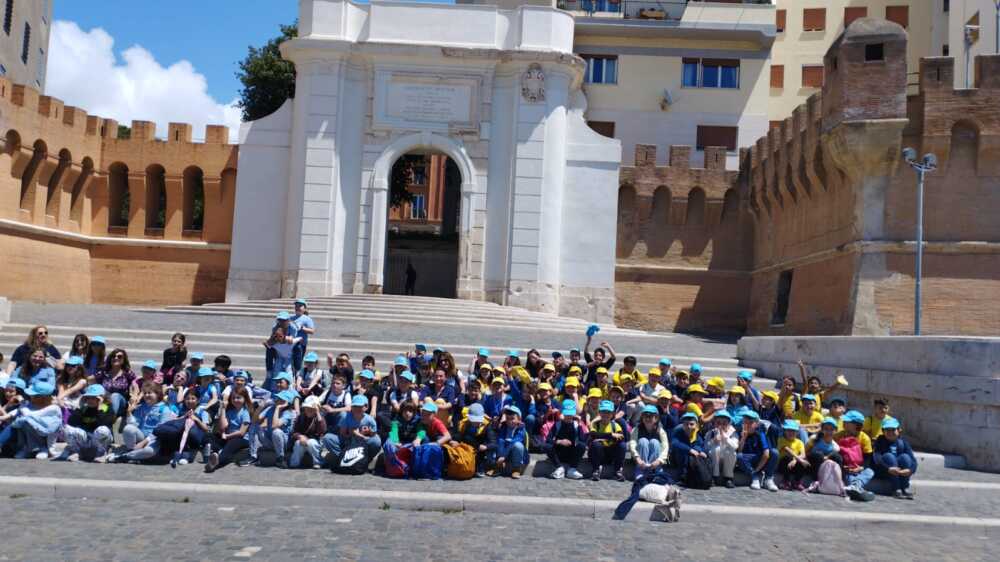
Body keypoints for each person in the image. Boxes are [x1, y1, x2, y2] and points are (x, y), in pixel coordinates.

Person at [112, 383, 174, 463]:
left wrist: (144, 442)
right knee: (128, 428)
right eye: (145, 393)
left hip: (154, 439)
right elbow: (134, 425)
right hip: (141, 435)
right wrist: (129, 413)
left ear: (158, 394)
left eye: (149, 393)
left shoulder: (165, 409)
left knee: (149, 451)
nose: (146, 395)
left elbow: (160, 431)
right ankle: (133, 453)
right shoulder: (141, 407)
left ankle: (126, 456)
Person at [0, 381, 63, 459]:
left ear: (42, 397)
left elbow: (30, 416)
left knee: (24, 421)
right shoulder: (29, 404)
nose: (30, 396)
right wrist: (4, 417)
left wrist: (22, 405)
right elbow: (16, 412)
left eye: (33, 395)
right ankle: (26, 449)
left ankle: (42, 449)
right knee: (16, 424)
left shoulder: (54, 409)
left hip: (44, 440)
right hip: (27, 439)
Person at [323, 395, 381, 472]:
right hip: (348, 441)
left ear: (366, 407)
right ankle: (342, 459)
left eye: (359, 406)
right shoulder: (346, 417)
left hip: (362, 443)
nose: (357, 409)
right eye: (354, 406)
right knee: (327, 438)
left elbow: (373, 434)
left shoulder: (370, 420)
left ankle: (363, 461)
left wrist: (367, 432)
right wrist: (352, 433)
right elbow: (342, 434)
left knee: (376, 441)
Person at [58, 384, 115, 462]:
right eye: (88, 398)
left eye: (93, 398)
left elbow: (103, 424)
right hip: (87, 439)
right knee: (66, 428)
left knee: (102, 430)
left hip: (101, 441)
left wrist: (99, 408)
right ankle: (76, 452)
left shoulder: (108, 408)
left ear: (101, 398)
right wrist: (79, 407)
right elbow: (71, 422)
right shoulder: (85, 408)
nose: (90, 400)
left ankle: (101, 454)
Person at [205, 391, 253, 473]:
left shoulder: (245, 413)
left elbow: (241, 432)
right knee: (209, 436)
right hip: (229, 436)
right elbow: (223, 426)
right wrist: (223, 408)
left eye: (238, 398)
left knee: (232, 443)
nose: (235, 400)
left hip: (242, 439)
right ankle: (219, 452)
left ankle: (216, 462)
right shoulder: (230, 411)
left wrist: (227, 436)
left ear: (244, 399)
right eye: (233, 398)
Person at [836, 410, 876, 502]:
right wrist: (844, 466)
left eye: (847, 421)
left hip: (859, 468)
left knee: (870, 471)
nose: (844, 422)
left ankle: (855, 487)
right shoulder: (838, 435)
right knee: (849, 476)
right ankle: (858, 490)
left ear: (856, 425)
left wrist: (860, 468)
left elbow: (867, 458)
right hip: (846, 468)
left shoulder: (864, 438)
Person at [874, 417, 917, 500]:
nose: (890, 433)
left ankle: (904, 487)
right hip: (885, 471)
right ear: (883, 431)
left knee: (905, 457)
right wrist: (888, 468)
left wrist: (910, 470)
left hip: (900, 472)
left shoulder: (903, 442)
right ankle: (896, 488)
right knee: (889, 456)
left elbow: (913, 460)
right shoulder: (879, 441)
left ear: (898, 430)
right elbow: (877, 458)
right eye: (887, 430)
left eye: (893, 430)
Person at [735, 410, 778, 492]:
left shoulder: (761, 433)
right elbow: (739, 452)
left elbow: (766, 454)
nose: (747, 425)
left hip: (761, 460)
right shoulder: (740, 432)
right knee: (739, 457)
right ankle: (754, 477)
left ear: (757, 424)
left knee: (774, 452)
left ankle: (768, 478)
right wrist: (743, 438)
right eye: (745, 422)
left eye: (750, 423)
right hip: (748, 461)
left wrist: (757, 470)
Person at [544, 399, 587, 480]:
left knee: (582, 445)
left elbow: (583, 441)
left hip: (571, 454)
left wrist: (580, 424)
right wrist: (559, 441)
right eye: (566, 414)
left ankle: (572, 469)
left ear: (574, 414)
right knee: (546, 446)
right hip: (559, 453)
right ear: (562, 413)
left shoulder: (577, 425)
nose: (568, 416)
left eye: (570, 414)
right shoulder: (557, 424)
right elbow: (548, 440)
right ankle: (559, 467)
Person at [254, 389, 298, 468]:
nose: (277, 400)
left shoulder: (289, 413)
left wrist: (278, 409)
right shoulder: (271, 408)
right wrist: (260, 408)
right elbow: (255, 420)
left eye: (280, 399)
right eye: (277, 398)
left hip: (284, 443)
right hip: (271, 441)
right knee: (256, 426)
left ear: (286, 402)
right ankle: (254, 455)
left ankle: (280, 459)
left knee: (276, 431)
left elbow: (275, 425)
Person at [587, 400, 626, 481]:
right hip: (597, 454)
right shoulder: (596, 424)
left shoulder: (615, 425)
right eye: (603, 412)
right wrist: (611, 435)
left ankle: (618, 471)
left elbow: (621, 437)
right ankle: (596, 470)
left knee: (622, 445)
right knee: (596, 445)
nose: (606, 414)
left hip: (610, 454)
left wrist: (602, 437)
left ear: (612, 414)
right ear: (599, 413)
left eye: (608, 412)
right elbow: (593, 435)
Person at [629, 405, 670, 480]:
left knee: (655, 442)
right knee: (643, 441)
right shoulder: (636, 429)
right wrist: (637, 459)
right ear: (642, 418)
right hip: (640, 460)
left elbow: (665, 447)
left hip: (655, 461)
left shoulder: (660, 431)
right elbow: (632, 444)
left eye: (650, 416)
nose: (648, 418)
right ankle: (641, 470)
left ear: (656, 418)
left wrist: (659, 461)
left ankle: (653, 470)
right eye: (645, 416)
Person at [668, 412, 707, 485]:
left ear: (696, 425)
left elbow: (701, 445)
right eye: (686, 424)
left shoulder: (697, 435)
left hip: (690, 460)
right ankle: (682, 477)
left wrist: (700, 451)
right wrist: (689, 449)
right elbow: (675, 444)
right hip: (678, 459)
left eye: (691, 424)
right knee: (683, 452)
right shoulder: (678, 432)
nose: (689, 426)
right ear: (683, 425)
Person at [490, 405, 528, 479]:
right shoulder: (504, 426)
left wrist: (503, 456)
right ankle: (498, 466)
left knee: (517, 445)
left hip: (517, 454)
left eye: (513, 419)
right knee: (500, 440)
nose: (510, 421)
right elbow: (500, 439)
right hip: (504, 453)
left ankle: (516, 469)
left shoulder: (521, 429)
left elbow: (514, 442)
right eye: (507, 418)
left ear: (519, 419)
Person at [704, 410, 739, 488]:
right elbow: (705, 448)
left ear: (729, 423)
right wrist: (713, 441)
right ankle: (714, 476)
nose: (721, 425)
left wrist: (725, 437)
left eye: (724, 423)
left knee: (730, 451)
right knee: (716, 449)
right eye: (718, 423)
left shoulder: (733, 433)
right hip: (715, 460)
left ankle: (728, 478)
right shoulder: (711, 433)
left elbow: (735, 446)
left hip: (727, 460)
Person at [456, 403, 492, 477]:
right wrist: (454, 440)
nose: (475, 422)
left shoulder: (487, 425)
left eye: (477, 420)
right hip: (467, 447)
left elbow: (493, 442)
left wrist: (486, 446)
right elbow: (458, 435)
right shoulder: (464, 423)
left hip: (480, 448)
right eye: (473, 420)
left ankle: (480, 468)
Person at [777, 419, 809, 491]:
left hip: (793, 465)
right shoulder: (781, 440)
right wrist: (797, 459)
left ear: (797, 432)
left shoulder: (800, 442)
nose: (791, 433)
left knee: (803, 461)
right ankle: (785, 481)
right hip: (783, 465)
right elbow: (788, 450)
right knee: (787, 458)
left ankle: (797, 481)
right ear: (784, 431)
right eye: (789, 430)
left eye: (793, 431)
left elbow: (803, 454)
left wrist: (795, 460)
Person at [290, 299, 315, 373]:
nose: (297, 307)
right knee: (290, 362)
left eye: (300, 306)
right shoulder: (291, 318)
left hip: (301, 344)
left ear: (304, 308)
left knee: (298, 362)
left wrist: (302, 328)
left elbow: (312, 331)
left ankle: (298, 375)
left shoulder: (307, 319)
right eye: (296, 306)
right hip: (290, 343)